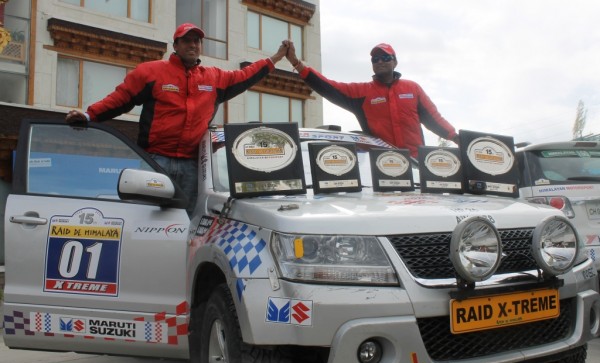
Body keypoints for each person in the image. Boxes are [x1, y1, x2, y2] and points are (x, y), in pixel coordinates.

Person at [66, 23, 290, 215]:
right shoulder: (151, 72)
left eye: (197, 41)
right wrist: (89, 115)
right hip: (154, 160)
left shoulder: (214, 78)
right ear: (175, 45)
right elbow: (121, 98)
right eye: (186, 41)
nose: (193, 45)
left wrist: (276, 58)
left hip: (192, 165)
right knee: (146, 215)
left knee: (186, 220)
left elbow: (246, 75)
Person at [285, 42, 458, 157]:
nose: (380, 61)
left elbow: (434, 119)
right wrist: (296, 63)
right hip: (382, 163)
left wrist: (456, 138)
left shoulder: (412, 88)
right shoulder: (362, 92)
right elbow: (329, 87)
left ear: (395, 62)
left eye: (385, 58)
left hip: (416, 163)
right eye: (375, 59)